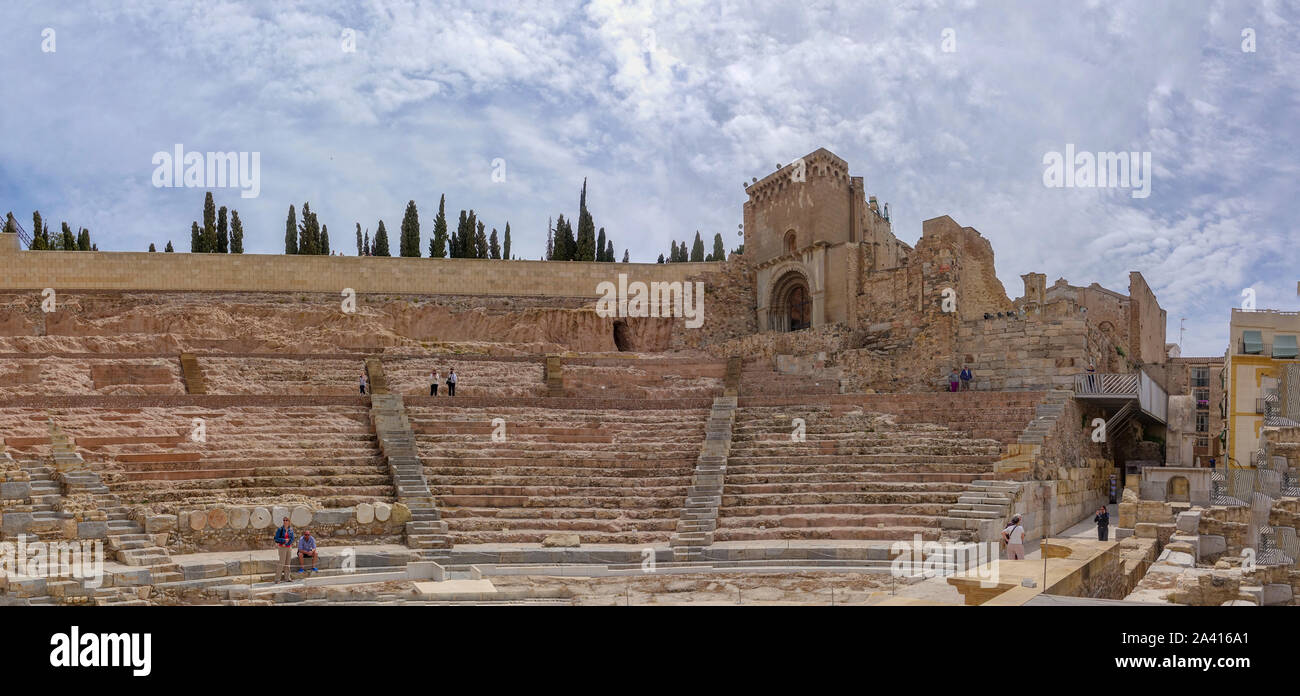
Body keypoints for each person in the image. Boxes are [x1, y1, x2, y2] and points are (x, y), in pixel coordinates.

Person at [273, 516, 295, 583]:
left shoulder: (290, 530)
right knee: (281, 563)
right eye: (284, 520)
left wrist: (287, 544)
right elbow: (276, 539)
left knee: (288, 563)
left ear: (289, 522)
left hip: (288, 547)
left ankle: (287, 578)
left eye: (286, 520)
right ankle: (277, 579)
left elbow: (292, 539)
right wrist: (284, 540)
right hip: (282, 547)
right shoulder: (280, 529)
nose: (285, 521)